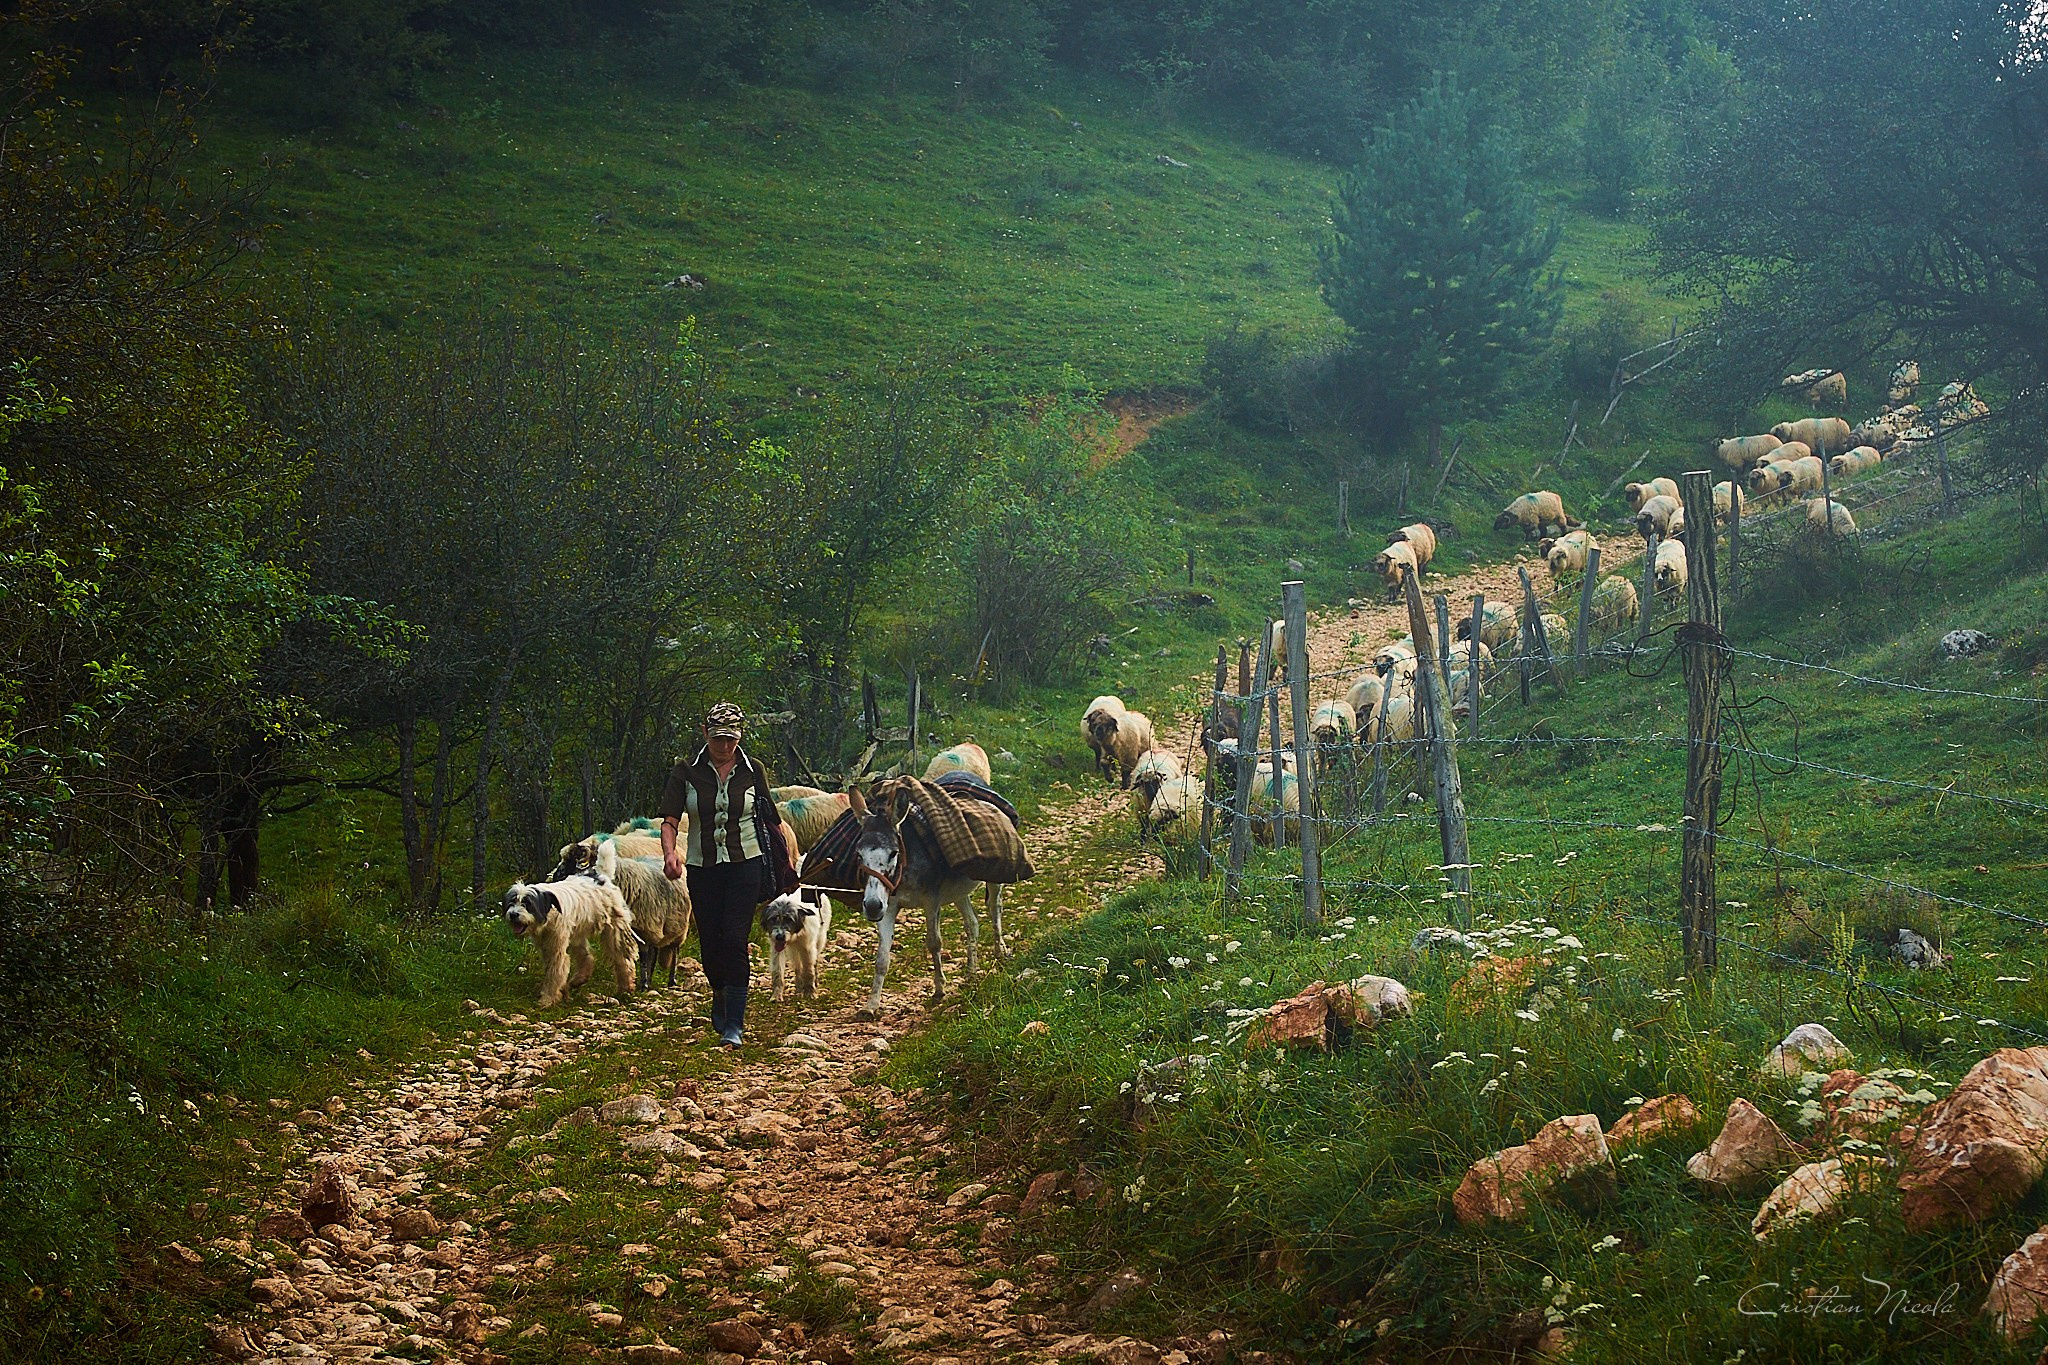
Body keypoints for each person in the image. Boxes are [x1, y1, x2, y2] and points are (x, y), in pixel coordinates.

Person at [658, 703, 777, 1048]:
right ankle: (720, 993)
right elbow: (669, 820)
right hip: (702, 865)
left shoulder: (753, 770)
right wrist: (670, 853)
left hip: (746, 863)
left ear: (740, 736)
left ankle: (735, 1024)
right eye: (718, 739)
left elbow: (770, 818)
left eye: (731, 740)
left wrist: (785, 863)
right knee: (710, 941)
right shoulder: (686, 772)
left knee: (735, 937)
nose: (725, 747)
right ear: (704, 733)